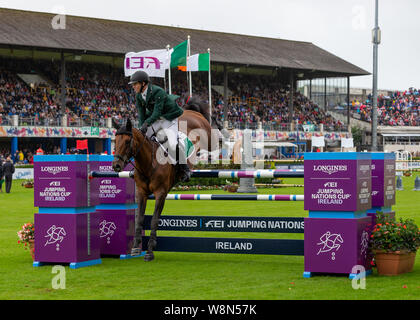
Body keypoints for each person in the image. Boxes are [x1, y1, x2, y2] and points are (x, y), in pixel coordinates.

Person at [128, 70, 190, 181]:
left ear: (143, 83)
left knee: (172, 142)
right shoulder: (138, 96)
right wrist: (142, 127)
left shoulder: (158, 92)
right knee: (141, 139)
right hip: (156, 119)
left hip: (169, 118)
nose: (133, 86)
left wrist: (146, 123)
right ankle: (138, 168)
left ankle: (185, 169)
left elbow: (157, 112)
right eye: (133, 84)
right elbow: (142, 115)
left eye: (135, 84)